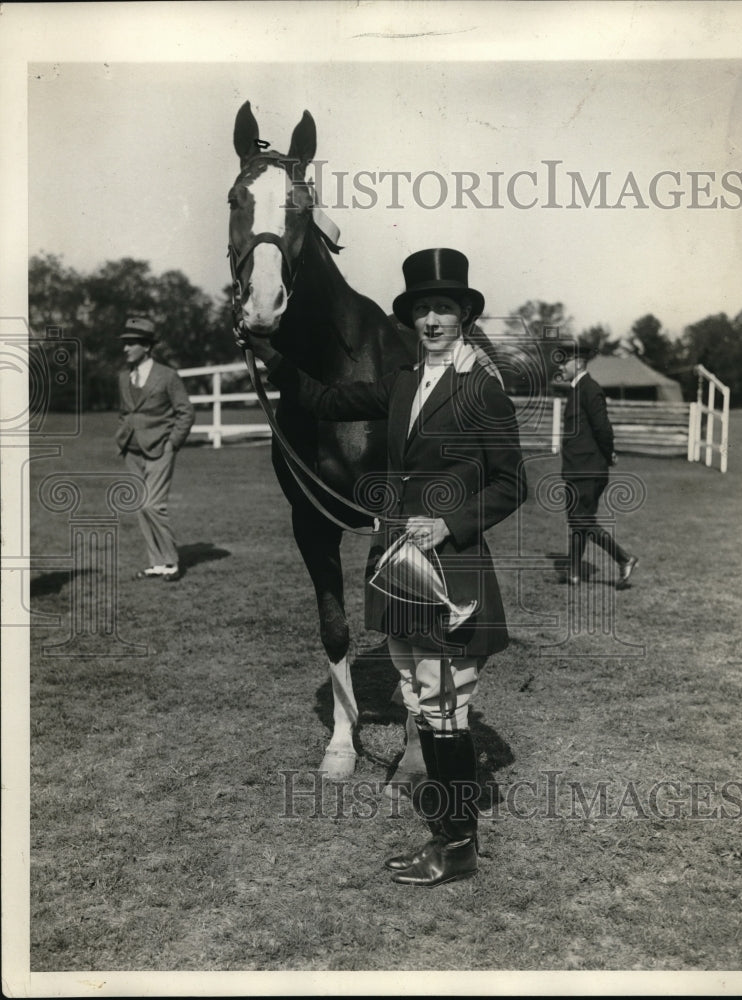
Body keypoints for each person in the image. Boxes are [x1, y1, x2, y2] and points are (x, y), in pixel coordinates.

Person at [240, 248, 528, 886]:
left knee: (446, 706)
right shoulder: (401, 382)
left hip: (451, 568)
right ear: (411, 318)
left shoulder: (483, 390)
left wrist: (451, 523)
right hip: (399, 567)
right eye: (423, 309)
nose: (432, 320)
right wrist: (268, 353)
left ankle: (458, 844)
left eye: (444, 308)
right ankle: (447, 839)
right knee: (420, 697)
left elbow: (512, 483)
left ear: (464, 316)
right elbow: (323, 399)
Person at [115, 316, 195, 582]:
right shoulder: (123, 377)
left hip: (161, 448)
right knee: (140, 506)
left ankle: (171, 562)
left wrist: (172, 444)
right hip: (131, 450)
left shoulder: (168, 376)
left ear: (147, 346)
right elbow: (125, 412)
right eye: (125, 343)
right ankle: (157, 563)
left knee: (153, 505)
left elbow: (186, 412)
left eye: (131, 343)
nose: (125, 348)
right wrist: (123, 436)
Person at [557, 343, 638, 588]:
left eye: (564, 362)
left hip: (588, 469)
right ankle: (573, 573)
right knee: (577, 519)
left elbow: (603, 428)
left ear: (578, 363)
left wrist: (609, 453)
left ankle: (623, 558)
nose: (560, 367)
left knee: (581, 520)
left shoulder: (590, 389)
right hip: (577, 468)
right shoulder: (577, 390)